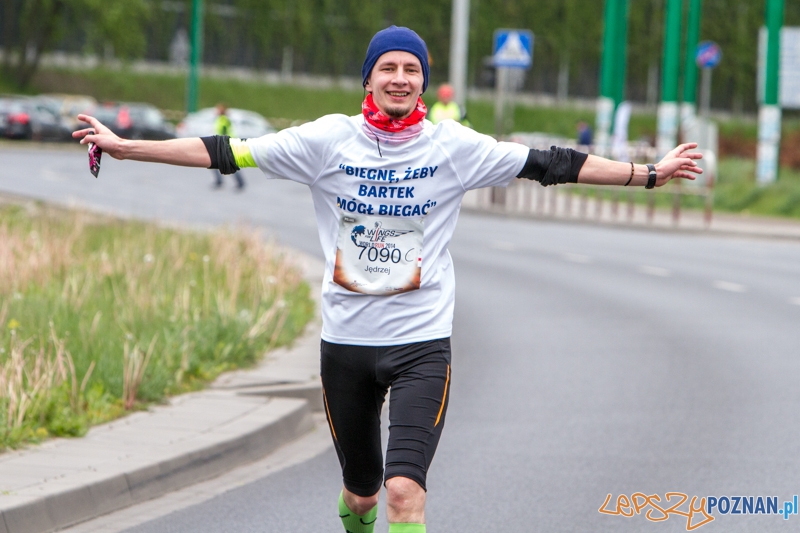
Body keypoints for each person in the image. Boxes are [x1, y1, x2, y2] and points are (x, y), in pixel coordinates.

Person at [73, 25, 702, 533]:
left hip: (421, 342)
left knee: (405, 493)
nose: (400, 79)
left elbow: (550, 163)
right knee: (364, 496)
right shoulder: (326, 141)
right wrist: (128, 147)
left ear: (423, 81)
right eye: (388, 68)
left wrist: (647, 174)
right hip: (345, 344)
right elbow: (223, 151)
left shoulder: (450, 146)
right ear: (369, 79)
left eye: (411, 70)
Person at [212, 103, 245, 189]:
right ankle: (220, 181)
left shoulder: (223, 120)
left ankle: (240, 182)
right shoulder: (221, 119)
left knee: (227, 163)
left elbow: (224, 132)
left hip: (226, 143)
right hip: (224, 142)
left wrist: (220, 142)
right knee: (217, 162)